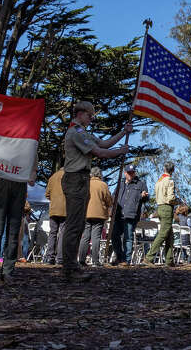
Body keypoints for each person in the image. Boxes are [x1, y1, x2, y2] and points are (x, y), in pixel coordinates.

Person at [58, 101, 133, 283]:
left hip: (81, 179)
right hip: (75, 178)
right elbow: (100, 152)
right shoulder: (75, 132)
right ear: (80, 113)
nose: (91, 119)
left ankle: (72, 265)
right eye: (89, 115)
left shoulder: (83, 132)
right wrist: (120, 151)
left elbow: (104, 144)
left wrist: (124, 132)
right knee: (74, 224)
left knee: (79, 224)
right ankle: (69, 267)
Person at [0, 174, 29, 283]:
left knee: (13, 233)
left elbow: (32, 175)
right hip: (4, 180)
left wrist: (31, 174)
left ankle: (8, 271)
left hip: (20, 183)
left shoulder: (31, 155)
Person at [144, 161, 180, 264]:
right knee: (164, 233)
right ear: (172, 170)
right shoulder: (169, 180)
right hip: (167, 208)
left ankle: (169, 260)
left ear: (164, 169)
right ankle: (149, 257)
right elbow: (170, 198)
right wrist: (178, 201)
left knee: (169, 235)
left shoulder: (159, 181)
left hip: (159, 207)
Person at [111, 167, 149, 265]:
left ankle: (126, 260)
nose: (131, 174)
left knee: (128, 238)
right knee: (114, 235)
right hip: (118, 214)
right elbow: (113, 196)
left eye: (133, 172)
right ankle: (119, 257)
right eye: (129, 173)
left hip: (131, 215)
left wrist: (144, 196)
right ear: (125, 173)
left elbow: (146, 198)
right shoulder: (120, 184)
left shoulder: (141, 184)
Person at [79, 167, 113, 267]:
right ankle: (95, 261)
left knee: (85, 237)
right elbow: (108, 200)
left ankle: (81, 260)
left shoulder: (85, 183)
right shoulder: (103, 185)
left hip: (86, 213)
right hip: (99, 214)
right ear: (99, 174)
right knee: (96, 237)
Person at [44, 167, 66, 264]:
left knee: (52, 233)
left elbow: (47, 194)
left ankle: (50, 257)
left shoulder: (52, 177)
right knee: (62, 233)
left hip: (53, 209)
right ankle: (60, 258)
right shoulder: (69, 176)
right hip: (65, 209)